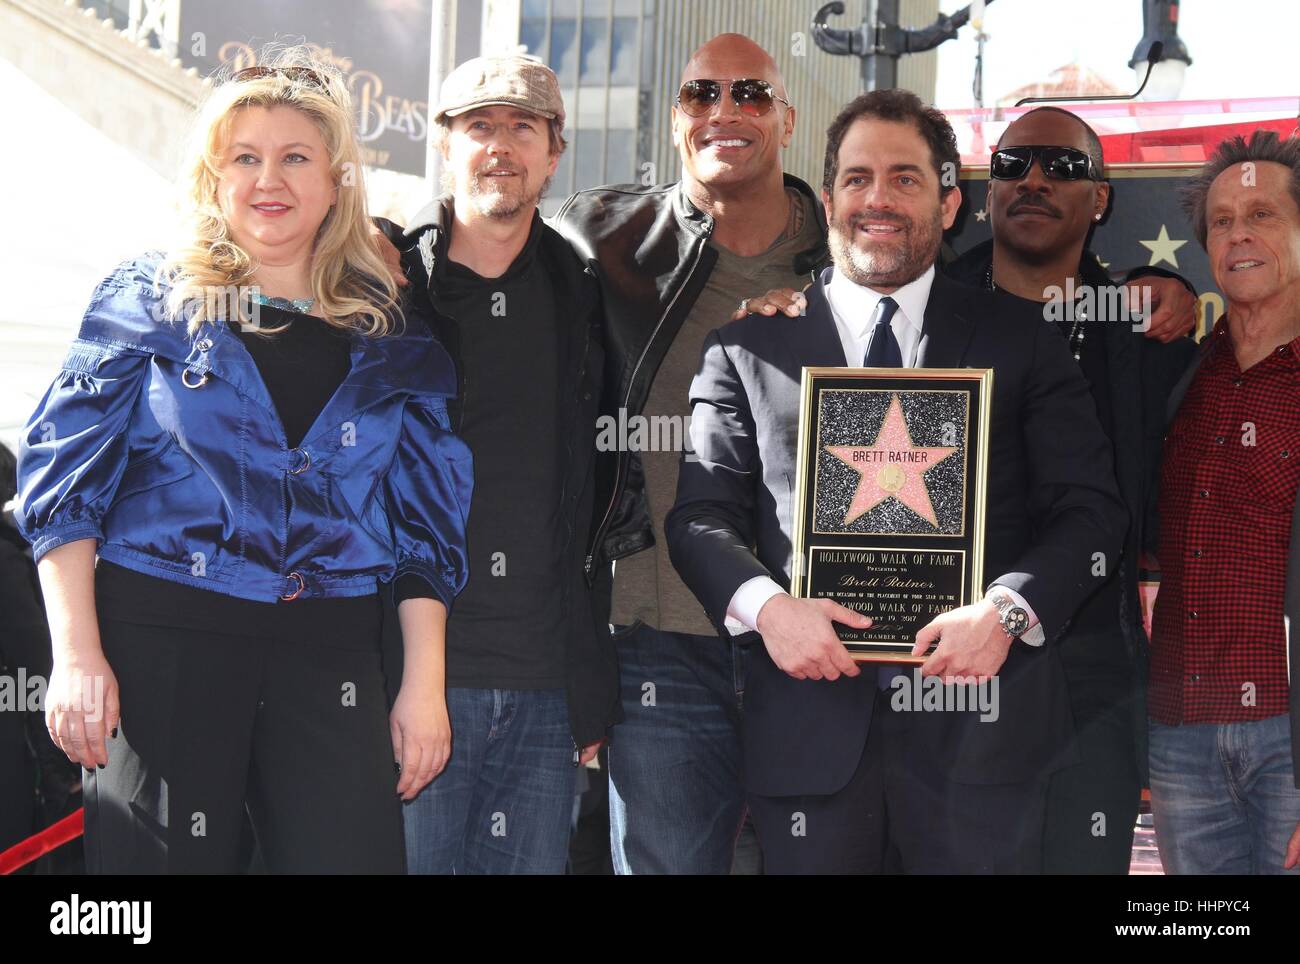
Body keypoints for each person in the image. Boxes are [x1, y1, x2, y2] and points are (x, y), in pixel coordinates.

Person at [15, 48, 472, 874]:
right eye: (246, 158)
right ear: (212, 178)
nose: (271, 179)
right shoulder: (147, 300)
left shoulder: (393, 334)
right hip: (163, 643)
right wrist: (76, 655)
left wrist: (423, 686)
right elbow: (63, 484)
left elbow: (426, 533)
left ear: (335, 181)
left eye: (296, 156)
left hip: (330, 654)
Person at [665, 88, 1127, 873]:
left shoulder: (1023, 342)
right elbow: (699, 519)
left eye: (905, 178)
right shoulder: (745, 348)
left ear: (950, 203)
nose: (877, 199)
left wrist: (1006, 612)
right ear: (831, 196)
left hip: (983, 740)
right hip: (811, 740)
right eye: (856, 178)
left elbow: (1090, 514)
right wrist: (771, 611)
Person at [551, 32, 826, 875]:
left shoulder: (850, 252)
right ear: (676, 120)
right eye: (701, 95)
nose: (724, 112)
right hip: (655, 637)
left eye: (749, 94)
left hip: (819, 635)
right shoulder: (598, 236)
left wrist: (1149, 290)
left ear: (785, 116)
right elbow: (481, 265)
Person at [944, 107, 1198, 873]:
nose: (1034, 180)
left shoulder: (1139, 326)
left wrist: (1174, 290)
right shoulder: (924, 312)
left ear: (1103, 199)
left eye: (1063, 166)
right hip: (949, 658)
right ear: (986, 191)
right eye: (1014, 164)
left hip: (1093, 662)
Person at [379, 54, 615, 874]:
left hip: (548, 690)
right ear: (445, 144)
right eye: (480, 126)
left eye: (524, 127)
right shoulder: (383, 282)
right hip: (402, 678)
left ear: (555, 152)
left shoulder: (586, 290)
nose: (501, 146)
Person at [1150, 129, 1300, 874]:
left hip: (1289, 739)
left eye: (1263, 215)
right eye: (1221, 220)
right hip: (1181, 737)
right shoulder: (1179, 375)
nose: (1239, 233)